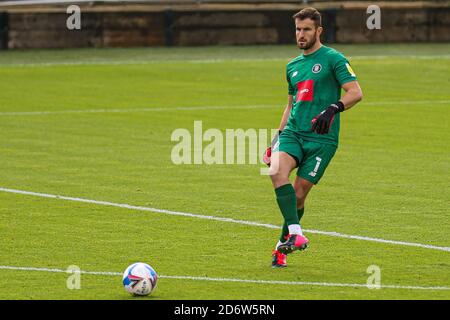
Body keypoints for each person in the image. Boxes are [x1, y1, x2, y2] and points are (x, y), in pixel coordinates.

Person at [265, 7, 363, 268]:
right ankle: (296, 234)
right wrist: (276, 138)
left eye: (306, 29)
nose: (301, 34)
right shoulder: (292, 66)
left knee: (297, 197)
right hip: (294, 133)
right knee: (276, 170)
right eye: (298, 29)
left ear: (318, 31)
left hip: (322, 139)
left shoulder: (334, 59)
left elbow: (355, 92)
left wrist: (333, 108)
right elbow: (290, 104)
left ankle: (281, 248)